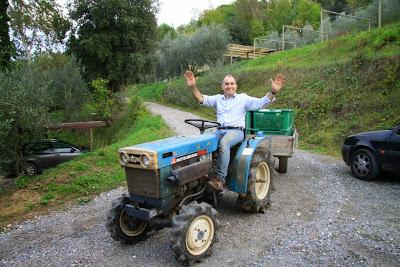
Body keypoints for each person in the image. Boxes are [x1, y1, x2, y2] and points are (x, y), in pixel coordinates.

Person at [184, 70, 285, 191]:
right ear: (222, 87)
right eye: (226, 84)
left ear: (236, 86)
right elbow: (201, 98)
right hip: (219, 130)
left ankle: (220, 180)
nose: (229, 86)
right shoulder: (218, 99)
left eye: (232, 83)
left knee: (224, 143)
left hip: (236, 132)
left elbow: (260, 103)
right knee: (202, 140)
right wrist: (193, 86)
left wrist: (273, 91)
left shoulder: (243, 98)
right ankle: (201, 173)